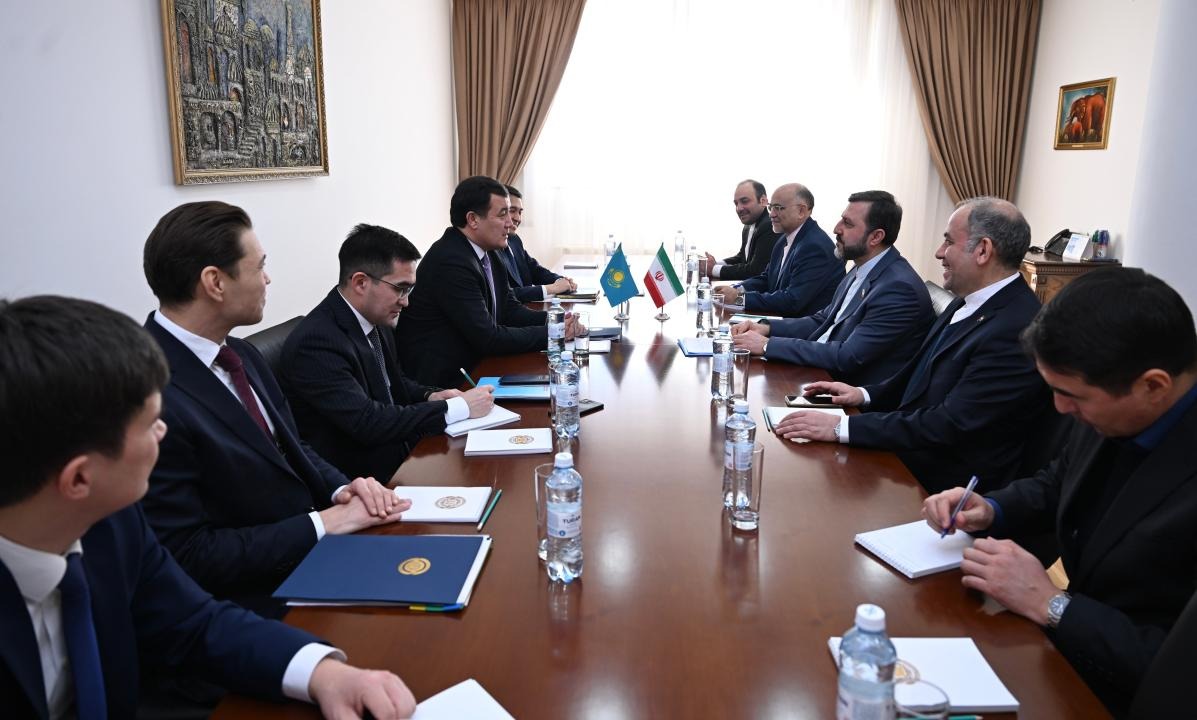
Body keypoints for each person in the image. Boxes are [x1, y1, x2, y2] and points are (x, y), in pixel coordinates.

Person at [0, 295, 417, 720]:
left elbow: (193, 621)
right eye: (150, 424)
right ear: (79, 479)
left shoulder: (111, 523)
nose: (163, 432)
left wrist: (322, 672)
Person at [922, 268, 1197, 715]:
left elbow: (1177, 670)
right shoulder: (1109, 400)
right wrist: (990, 508)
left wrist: (1052, 604)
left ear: (1153, 386)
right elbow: (1058, 482)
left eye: (1073, 396)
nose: (1060, 408)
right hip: (1062, 660)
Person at [141, 201, 406, 617]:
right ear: (215, 282)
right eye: (259, 266)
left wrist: (342, 489)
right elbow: (188, 554)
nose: (268, 279)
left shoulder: (241, 354)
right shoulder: (148, 391)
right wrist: (322, 523)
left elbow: (293, 446)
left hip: (314, 555)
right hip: (247, 604)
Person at [774, 197, 1050, 494]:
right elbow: (918, 374)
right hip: (910, 450)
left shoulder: (1015, 327)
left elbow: (948, 424)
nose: (939, 252)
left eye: (948, 242)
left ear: (983, 250)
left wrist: (841, 428)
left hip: (944, 487)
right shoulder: (968, 300)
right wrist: (864, 394)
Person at [279, 224, 496, 484]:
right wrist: (457, 408)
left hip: (401, 455)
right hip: (363, 482)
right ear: (361, 283)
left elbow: (392, 383)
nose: (406, 301)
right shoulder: (316, 343)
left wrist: (430, 395)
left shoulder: (375, 318)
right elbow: (368, 422)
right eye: (400, 289)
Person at [730, 190, 934, 386]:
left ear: (876, 237)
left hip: (845, 392)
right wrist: (766, 328)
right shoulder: (861, 268)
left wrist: (768, 345)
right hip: (820, 372)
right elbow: (823, 320)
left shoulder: (899, 289)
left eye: (848, 223)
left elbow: (848, 356)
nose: (836, 229)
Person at [395, 175, 578, 387]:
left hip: (479, 365)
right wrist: (554, 333)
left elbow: (509, 309)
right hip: (446, 382)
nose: (510, 223)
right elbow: (488, 338)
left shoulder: (490, 251)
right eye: (503, 215)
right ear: (473, 219)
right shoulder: (451, 261)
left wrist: (557, 321)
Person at [714, 182, 843, 317]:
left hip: (803, 326)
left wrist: (739, 298)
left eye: (778, 208)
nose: (771, 214)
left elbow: (792, 301)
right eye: (771, 208)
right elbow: (767, 278)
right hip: (780, 318)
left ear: (801, 211)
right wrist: (736, 289)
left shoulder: (815, 247)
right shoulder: (784, 238)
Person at [499, 185, 576, 302]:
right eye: (512, 211)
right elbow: (504, 295)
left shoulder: (514, 240)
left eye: (520, 212)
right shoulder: (490, 247)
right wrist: (551, 289)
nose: (518, 218)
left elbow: (534, 270)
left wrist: (561, 281)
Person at [703, 179, 781, 281]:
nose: (739, 208)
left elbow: (755, 271)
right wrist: (715, 264)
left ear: (763, 201)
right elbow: (742, 257)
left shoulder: (769, 226)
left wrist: (714, 269)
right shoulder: (748, 226)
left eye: (744, 201)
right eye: (736, 203)